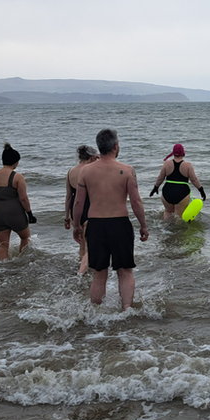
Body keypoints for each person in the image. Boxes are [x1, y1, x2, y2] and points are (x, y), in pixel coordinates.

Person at [71, 129, 149, 309]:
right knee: (125, 272)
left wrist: (76, 226)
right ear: (116, 146)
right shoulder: (127, 170)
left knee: (99, 274)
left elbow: (78, 203)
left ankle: (96, 314)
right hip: (120, 224)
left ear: (99, 147)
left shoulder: (86, 172)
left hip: (96, 225)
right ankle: (127, 309)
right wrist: (143, 226)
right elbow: (136, 201)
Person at [0, 143, 36, 260]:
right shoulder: (17, 177)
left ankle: (1, 268)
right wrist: (30, 214)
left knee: (2, 245)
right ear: (16, 161)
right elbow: (23, 198)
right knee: (25, 238)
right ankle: (22, 264)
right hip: (14, 211)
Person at [65, 145, 99, 274]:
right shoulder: (91, 171)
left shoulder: (71, 172)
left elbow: (68, 197)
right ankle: (82, 273)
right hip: (90, 207)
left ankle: (82, 270)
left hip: (76, 210)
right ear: (92, 157)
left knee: (82, 245)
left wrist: (67, 217)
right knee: (91, 246)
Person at [149, 143, 205, 220]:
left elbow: (160, 178)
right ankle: (177, 232)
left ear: (173, 153)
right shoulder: (187, 165)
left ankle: (165, 230)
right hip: (181, 193)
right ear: (183, 152)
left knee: (168, 211)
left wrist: (155, 188)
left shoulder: (167, 164)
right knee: (179, 215)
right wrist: (201, 190)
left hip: (167, 192)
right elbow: (194, 180)